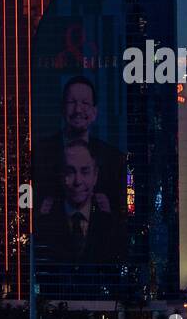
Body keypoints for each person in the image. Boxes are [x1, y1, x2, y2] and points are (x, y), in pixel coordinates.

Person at [33, 75, 125, 217]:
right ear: (62, 108)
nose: (78, 110)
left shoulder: (114, 158)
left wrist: (110, 211)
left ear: (95, 112)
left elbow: (124, 213)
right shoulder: (39, 153)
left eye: (85, 103)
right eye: (71, 102)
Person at [38, 141, 125, 264]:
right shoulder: (45, 222)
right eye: (70, 171)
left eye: (85, 171)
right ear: (61, 176)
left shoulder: (110, 223)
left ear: (95, 176)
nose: (77, 181)